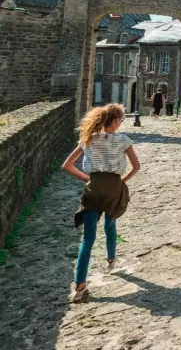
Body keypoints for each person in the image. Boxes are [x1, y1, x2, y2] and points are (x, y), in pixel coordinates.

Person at [62, 103, 141, 303]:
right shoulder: (123, 140)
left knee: (87, 240)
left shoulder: (88, 139)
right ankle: (111, 259)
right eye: (121, 120)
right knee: (110, 224)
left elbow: (67, 165)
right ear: (115, 121)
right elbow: (136, 166)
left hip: (94, 187)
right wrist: (121, 181)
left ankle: (79, 287)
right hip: (114, 187)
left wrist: (87, 179)